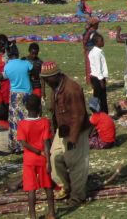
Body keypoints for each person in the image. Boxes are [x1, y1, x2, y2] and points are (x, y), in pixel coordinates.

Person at [40, 61, 90, 206]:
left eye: (47, 79)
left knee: (76, 164)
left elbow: (78, 116)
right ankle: (66, 187)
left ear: (55, 76)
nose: (45, 82)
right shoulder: (55, 87)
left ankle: (77, 196)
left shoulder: (71, 89)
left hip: (76, 131)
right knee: (55, 157)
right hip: (61, 130)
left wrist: (73, 139)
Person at [17, 94, 55, 219]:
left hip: (29, 159)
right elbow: (46, 142)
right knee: (48, 185)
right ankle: (51, 213)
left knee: (31, 188)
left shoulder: (22, 124)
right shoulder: (44, 122)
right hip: (43, 159)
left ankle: (33, 216)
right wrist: (48, 162)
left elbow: (23, 143)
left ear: (27, 108)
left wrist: (36, 151)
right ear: (39, 107)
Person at [4, 45, 34, 154]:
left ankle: (16, 145)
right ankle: (28, 143)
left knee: (14, 119)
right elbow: (32, 69)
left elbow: (6, 76)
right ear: (17, 53)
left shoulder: (7, 66)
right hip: (26, 93)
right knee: (26, 118)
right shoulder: (25, 63)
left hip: (14, 94)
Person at [88, 33, 109, 114]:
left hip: (95, 77)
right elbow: (98, 67)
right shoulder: (97, 53)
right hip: (98, 78)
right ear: (96, 42)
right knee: (101, 98)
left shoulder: (93, 51)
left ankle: (99, 113)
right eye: (101, 41)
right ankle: (102, 114)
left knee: (98, 96)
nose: (103, 42)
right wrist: (101, 80)